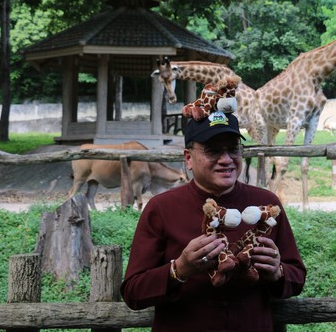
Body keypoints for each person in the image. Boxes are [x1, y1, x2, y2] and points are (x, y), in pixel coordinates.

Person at [120, 108, 307, 331]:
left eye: (233, 149)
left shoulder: (266, 205)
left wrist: (278, 272)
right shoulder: (161, 208)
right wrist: (179, 269)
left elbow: (297, 278)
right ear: (188, 158)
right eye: (213, 151)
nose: (226, 159)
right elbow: (133, 292)